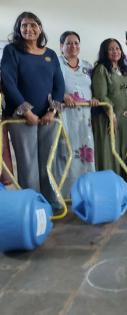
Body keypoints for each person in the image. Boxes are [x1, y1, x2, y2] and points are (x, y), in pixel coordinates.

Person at [0, 11, 64, 206]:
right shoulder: (12, 51)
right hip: (20, 118)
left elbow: (59, 86)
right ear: (19, 29)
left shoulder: (51, 54)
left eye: (33, 25)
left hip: (48, 117)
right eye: (24, 25)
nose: (29, 29)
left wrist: (52, 111)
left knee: (48, 162)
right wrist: (26, 111)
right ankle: (33, 206)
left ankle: (51, 202)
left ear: (40, 28)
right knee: (28, 165)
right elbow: (8, 82)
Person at [54, 31, 98, 198]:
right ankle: (65, 194)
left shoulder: (87, 66)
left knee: (86, 153)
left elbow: (92, 87)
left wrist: (94, 98)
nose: (73, 46)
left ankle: (85, 191)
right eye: (69, 43)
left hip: (84, 118)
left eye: (76, 43)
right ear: (61, 46)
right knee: (65, 152)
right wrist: (62, 95)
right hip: (64, 116)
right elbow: (49, 85)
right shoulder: (56, 64)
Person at [91, 38, 127, 174]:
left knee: (126, 150)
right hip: (108, 119)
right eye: (111, 49)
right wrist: (111, 114)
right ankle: (111, 183)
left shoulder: (123, 69)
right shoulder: (101, 69)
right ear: (105, 52)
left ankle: (126, 183)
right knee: (111, 150)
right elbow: (101, 95)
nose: (115, 51)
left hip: (126, 119)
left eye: (117, 48)